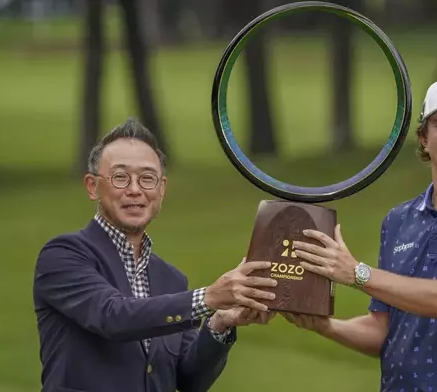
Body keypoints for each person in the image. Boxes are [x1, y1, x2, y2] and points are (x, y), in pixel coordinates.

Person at [282, 76, 437, 392]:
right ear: (424, 138)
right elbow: (385, 331)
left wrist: (357, 274)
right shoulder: (398, 220)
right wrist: (326, 326)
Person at [32, 118, 278, 392]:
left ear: (162, 189)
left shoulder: (170, 279)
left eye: (147, 178)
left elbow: (188, 380)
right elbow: (112, 316)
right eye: (120, 177)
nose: (135, 189)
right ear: (93, 186)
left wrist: (219, 323)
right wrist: (209, 297)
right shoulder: (63, 256)